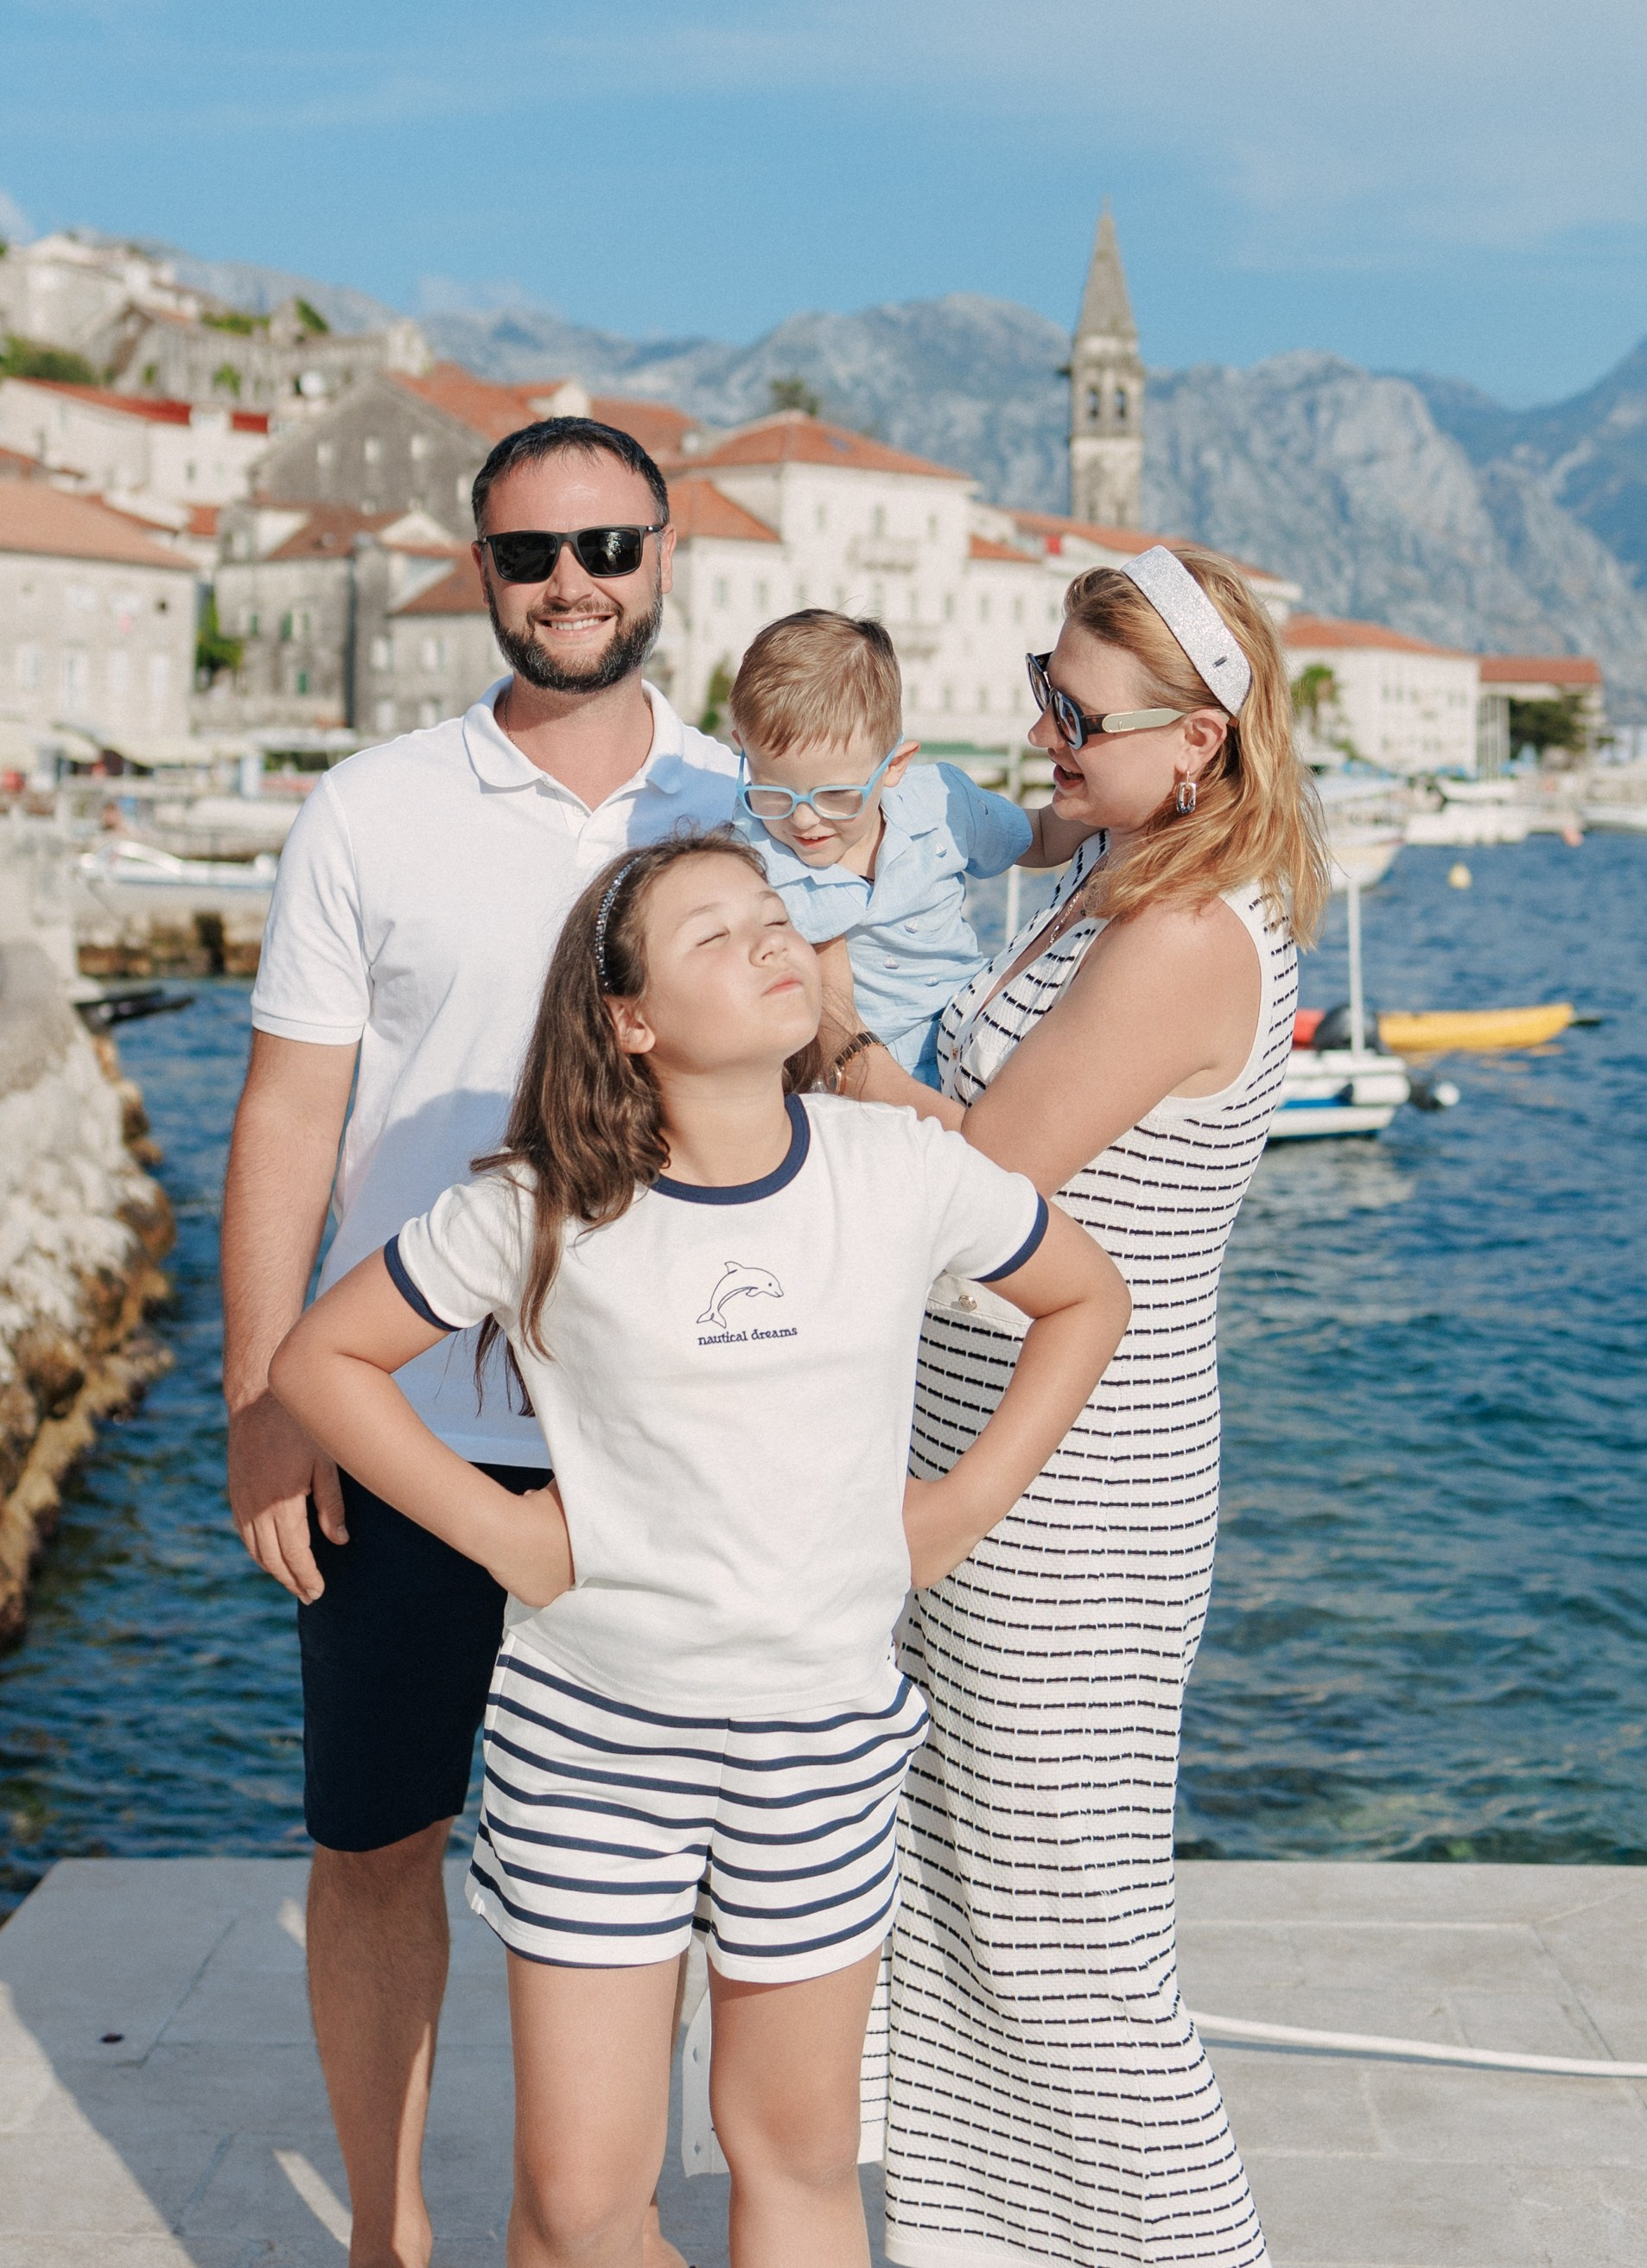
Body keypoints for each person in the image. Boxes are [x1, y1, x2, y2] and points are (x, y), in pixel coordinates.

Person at [269, 829, 1130, 2268]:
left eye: (772, 916)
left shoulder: (900, 1168)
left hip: (823, 1739)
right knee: (577, 2206)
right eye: (712, 938)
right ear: (631, 1022)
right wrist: (506, 1534)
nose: (770, 942)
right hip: (595, 1745)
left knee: (794, 2166)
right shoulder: (548, 1205)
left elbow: (1085, 1297)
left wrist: (965, 1504)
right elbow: (322, 1361)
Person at [220, 416, 738, 2268]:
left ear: (665, 556)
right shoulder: (371, 808)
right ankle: (386, 2237)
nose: (572, 584)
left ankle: (588, 2221)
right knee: (374, 1845)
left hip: (667, 1433)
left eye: (607, 546)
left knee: (653, 1873)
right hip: (402, 1424)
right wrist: (265, 1396)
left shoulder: (743, 801)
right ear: (480, 574)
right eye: (531, 556)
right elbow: (287, 1119)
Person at [832, 543, 1330, 2267]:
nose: (1039, 723)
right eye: (1041, 685)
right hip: (985, 1461)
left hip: (1069, 1496)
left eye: (1074, 708)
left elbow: (979, 1184)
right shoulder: (1112, 876)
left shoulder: (1185, 930)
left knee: (1069, 1944)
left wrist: (815, 1027)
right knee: (960, 1904)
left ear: (1195, 741)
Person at [729, 608, 1083, 1083]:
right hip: (850, 1074)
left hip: (975, 1036)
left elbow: (1039, 837)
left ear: (895, 766)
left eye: (835, 795)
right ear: (743, 752)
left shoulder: (940, 804)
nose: (803, 818)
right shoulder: (748, 855)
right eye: (772, 790)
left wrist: (1132, 806)